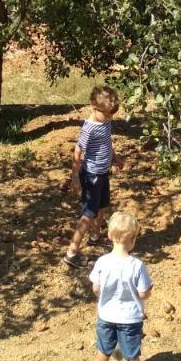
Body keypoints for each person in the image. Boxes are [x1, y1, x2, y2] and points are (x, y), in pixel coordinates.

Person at [89, 211, 153, 361]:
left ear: (109, 235)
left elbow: (95, 289)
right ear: (133, 239)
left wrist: (105, 297)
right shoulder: (137, 265)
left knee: (103, 348)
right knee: (132, 353)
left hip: (106, 315)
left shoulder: (102, 262)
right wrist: (147, 292)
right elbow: (143, 293)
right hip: (130, 318)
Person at [64, 85, 120, 268]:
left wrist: (115, 158)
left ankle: (95, 237)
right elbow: (78, 151)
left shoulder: (105, 122)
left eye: (112, 113)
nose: (110, 117)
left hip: (103, 173)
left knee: (102, 206)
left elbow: (107, 142)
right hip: (91, 176)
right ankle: (72, 252)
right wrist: (74, 178)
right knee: (88, 214)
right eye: (107, 113)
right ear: (94, 107)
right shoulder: (89, 128)